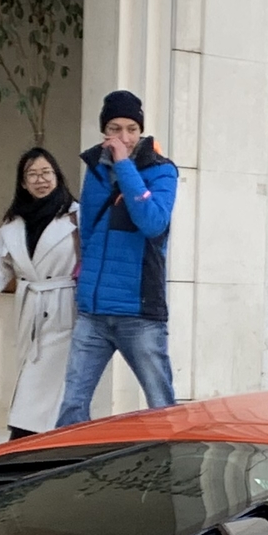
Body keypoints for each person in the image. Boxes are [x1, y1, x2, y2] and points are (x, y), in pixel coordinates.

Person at [55, 89, 178, 425]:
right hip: (93, 313)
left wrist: (124, 165)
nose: (123, 137)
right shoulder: (95, 169)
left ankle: (172, 467)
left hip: (138, 312)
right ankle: (67, 468)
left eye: (131, 129)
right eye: (114, 128)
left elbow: (153, 223)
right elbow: (91, 233)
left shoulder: (161, 171)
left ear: (140, 132)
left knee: (161, 405)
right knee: (71, 405)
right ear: (104, 132)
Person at [0, 146, 79, 438]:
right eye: (32, 175)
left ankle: (23, 439)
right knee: (35, 380)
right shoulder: (14, 224)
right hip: (31, 310)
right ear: (23, 182)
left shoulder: (76, 217)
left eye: (46, 173)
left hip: (66, 308)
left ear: (57, 176)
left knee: (43, 385)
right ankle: (36, 440)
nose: (40, 180)